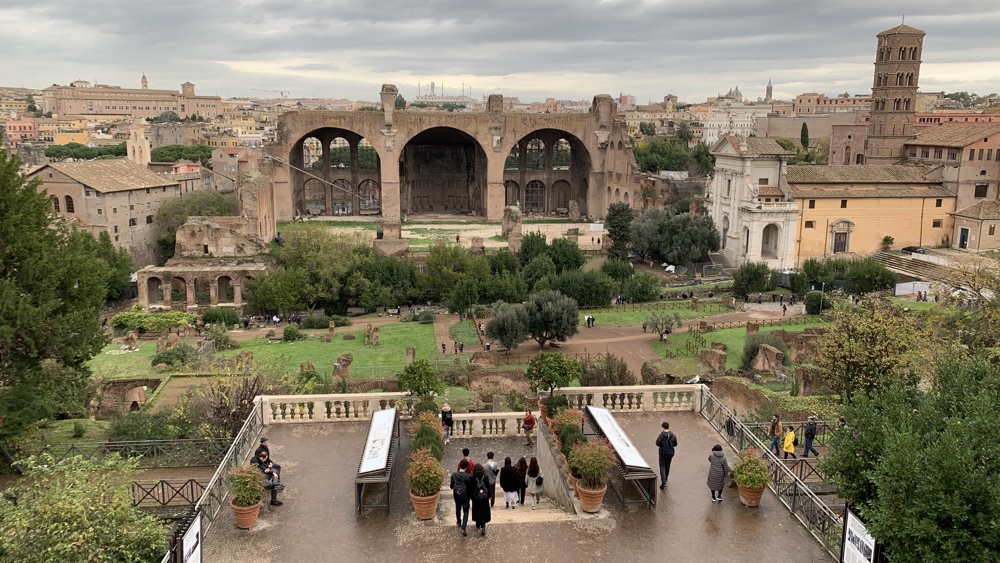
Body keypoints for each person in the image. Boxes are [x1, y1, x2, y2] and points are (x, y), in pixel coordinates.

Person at [450, 459, 473, 536]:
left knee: (458, 508)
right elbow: (470, 487)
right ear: (467, 467)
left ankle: (458, 521)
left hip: (457, 494)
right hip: (465, 496)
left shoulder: (454, 475)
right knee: (466, 511)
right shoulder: (468, 476)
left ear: (459, 465)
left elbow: (451, 486)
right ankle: (463, 528)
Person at [470, 464, 492, 536]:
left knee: (477, 511)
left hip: (476, 498)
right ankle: (483, 526)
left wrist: (471, 497)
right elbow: (488, 487)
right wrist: (490, 495)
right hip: (484, 498)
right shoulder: (485, 477)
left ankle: (478, 523)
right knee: (483, 511)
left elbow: (471, 489)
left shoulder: (472, 478)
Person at [655, 421, 677, 488]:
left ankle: (663, 482)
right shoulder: (673, 435)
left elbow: (657, 443)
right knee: (668, 466)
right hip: (670, 453)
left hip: (663, 453)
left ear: (663, 427)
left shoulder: (661, 436)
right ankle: (666, 477)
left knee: (662, 467)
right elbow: (675, 444)